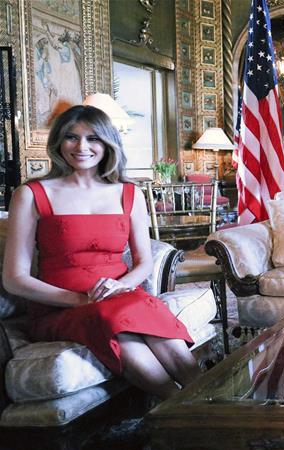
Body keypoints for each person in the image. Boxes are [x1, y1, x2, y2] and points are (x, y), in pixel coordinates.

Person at [2, 105, 201, 399]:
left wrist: (122, 285)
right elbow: (14, 279)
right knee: (115, 319)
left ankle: (210, 401)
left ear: (107, 144)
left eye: (93, 138)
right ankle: (182, 406)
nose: (82, 146)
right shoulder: (31, 194)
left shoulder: (129, 194)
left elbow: (143, 262)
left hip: (119, 297)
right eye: (72, 137)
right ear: (58, 141)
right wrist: (78, 300)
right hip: (60, 309)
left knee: (137, 314)